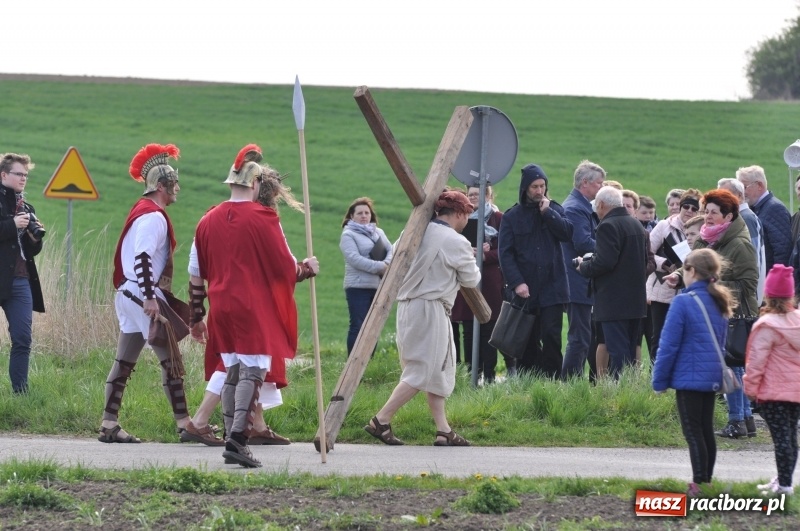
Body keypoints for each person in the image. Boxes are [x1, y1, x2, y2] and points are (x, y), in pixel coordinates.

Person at [192, 144, 318, 467]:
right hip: (252, 309)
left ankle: (232, 435)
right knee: (254, 369)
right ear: (255, 184)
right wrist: (306, 268)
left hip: (221, 307)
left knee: (233, 368)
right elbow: (284, 267)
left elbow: (196, 273)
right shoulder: (264, 218)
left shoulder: (207, 221)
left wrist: (197, 315)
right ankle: (237, 438)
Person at [102, 143, 220, 445]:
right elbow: (142, 258)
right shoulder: (153, 217)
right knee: (171, 361)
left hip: (129, 294)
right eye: (173, 183)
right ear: (160, 186)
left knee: (124, 360)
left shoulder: (144, 212)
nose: (177, 188)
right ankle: (186, 424)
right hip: (142, 295)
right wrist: (151, 298)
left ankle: (108, 424)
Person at [364, 191, 479, 447]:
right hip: (431, 308)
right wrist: (468, 261)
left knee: (435, 370)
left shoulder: (413, 231)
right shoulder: (455, 240)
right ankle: (381, 420)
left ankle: (443, 430)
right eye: (467, 215)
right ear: (459, 213)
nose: (467, 221)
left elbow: (392, 259)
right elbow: (472, 279)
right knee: (422, 369)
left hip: (407, 307)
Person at [666, 189, 759, 439]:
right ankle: (746, 420)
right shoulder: (703, 240)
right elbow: (692, 268)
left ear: (728, 216)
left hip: (735, 314)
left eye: (713, 212)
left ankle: (736, 421)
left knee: (733, 366)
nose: (707, 216)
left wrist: (710, 288)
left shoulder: (740, 244)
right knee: (732, 366)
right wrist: (678, 276)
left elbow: (749, 284)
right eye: (705, 211)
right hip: (712, 312)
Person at [652, 249, 735, 497]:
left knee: (693, 431)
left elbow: (668, 345)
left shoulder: (683, 302)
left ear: (692, 272)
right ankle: (707, 481)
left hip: (688, 377)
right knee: (706, 429)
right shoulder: (719, 300)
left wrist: (659, 380)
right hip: (711, 376)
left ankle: (698, 483)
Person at [498, 164, 572, 378]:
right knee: (526, 341)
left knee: (552, 338)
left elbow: (567, 234)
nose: (539, 191)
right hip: (525, 289)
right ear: (525, 189)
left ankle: (553, 384)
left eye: (542, 186)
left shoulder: (555, 210)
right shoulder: (512, 217)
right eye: (534, 187)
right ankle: (527, 384)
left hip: (553, 287)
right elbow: (506, 254)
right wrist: (517, 282)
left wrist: (548, 213)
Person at [576, 186, 648, 379]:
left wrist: (584, 266)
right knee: (631, 350)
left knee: (617, 351)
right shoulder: (635, 225)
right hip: (635, 300)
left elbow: (605, 262)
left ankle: (619, 395)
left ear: (601, 204)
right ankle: (631, 394)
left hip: (614, 301)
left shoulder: (608, 226)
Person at [744, 264, 800, 496]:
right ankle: (784, 479)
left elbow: (756, 363)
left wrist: (750, 389)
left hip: (773, 393)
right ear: (790, 295)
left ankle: (784, 486)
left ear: (767, 294)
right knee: (791, 436)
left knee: (781, 440)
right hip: (796, 393)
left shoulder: (765, 326)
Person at [450, 185, 506, 382]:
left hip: (490, 280)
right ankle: (471, 375)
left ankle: (489, 376)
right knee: (468, 327)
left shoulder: (498, 219)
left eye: (479, 193)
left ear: (489, 195)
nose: (474, 197)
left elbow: (504, 251)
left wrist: (485, 254)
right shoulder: (461, 218)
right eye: (471, 194)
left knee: (488, 327)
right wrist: (468, 250)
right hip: (466, 279)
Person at [0, 153, 45, 394]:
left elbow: (31, 250)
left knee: (22, 339)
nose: (23, 179)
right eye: (19, 174)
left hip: (20, 279)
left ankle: (21, 394)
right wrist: (11, 225)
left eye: (26, 175)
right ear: (3, 175)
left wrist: (33, 237)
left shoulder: (27, 207)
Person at [647, 189, 702, 367]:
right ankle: (657, 375)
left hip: (689, 290)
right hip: (663, 287)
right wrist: (663, 263)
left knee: (684, 336)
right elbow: (647, 252)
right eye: (685, 206)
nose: (689, 211)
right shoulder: (664, 226)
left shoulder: (701, 228)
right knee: (659, 335)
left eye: (694, 208)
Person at [561, 160, 605, 379]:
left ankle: (578, 383)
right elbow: (583, 243)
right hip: (576, 281)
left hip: (578, 280)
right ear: (585, 183)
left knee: (583, 336)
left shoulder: (578, 205)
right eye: (599, 183)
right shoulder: (576, 209)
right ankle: (569, 386)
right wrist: (609, 245)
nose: (601, 188)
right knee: (579, 338)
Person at [340, 197, 393, 356]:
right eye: (360, 213)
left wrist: (386, 264)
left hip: (376, 286)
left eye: (366, 213)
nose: (364, 216)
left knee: (373, 326)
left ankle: (368, 362)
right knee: (358, 325)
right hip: (357, 287)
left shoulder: (379, 232)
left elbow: (391, 250)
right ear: (351, 216)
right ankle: (352, 362)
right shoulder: (348, 235)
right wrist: (380, 267)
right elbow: (354, 259)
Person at [718, 177, 766, 305]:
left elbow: (753, 257)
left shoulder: (746, 218)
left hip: (747, 295)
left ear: (739, 196)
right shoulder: (736, 217)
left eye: (725, 195)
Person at [737, 165, 791, 272]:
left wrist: (775, 280)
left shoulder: (774, 208)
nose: (741, 193)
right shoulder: (755, 208)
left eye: (744, 187)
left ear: (759, 186)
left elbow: (783, 250)